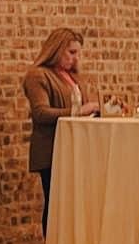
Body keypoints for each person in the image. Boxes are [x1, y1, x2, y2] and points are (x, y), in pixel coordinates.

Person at [24, 27, 99, 233]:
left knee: (74, 208)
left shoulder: (72, 77)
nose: (75, 58)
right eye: (71, 52)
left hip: (75, 149)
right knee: (55, 205)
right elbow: (41, 113)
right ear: (57, 50)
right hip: (51, 149)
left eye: (78, 53)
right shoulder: (38, 75)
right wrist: (79, 111)